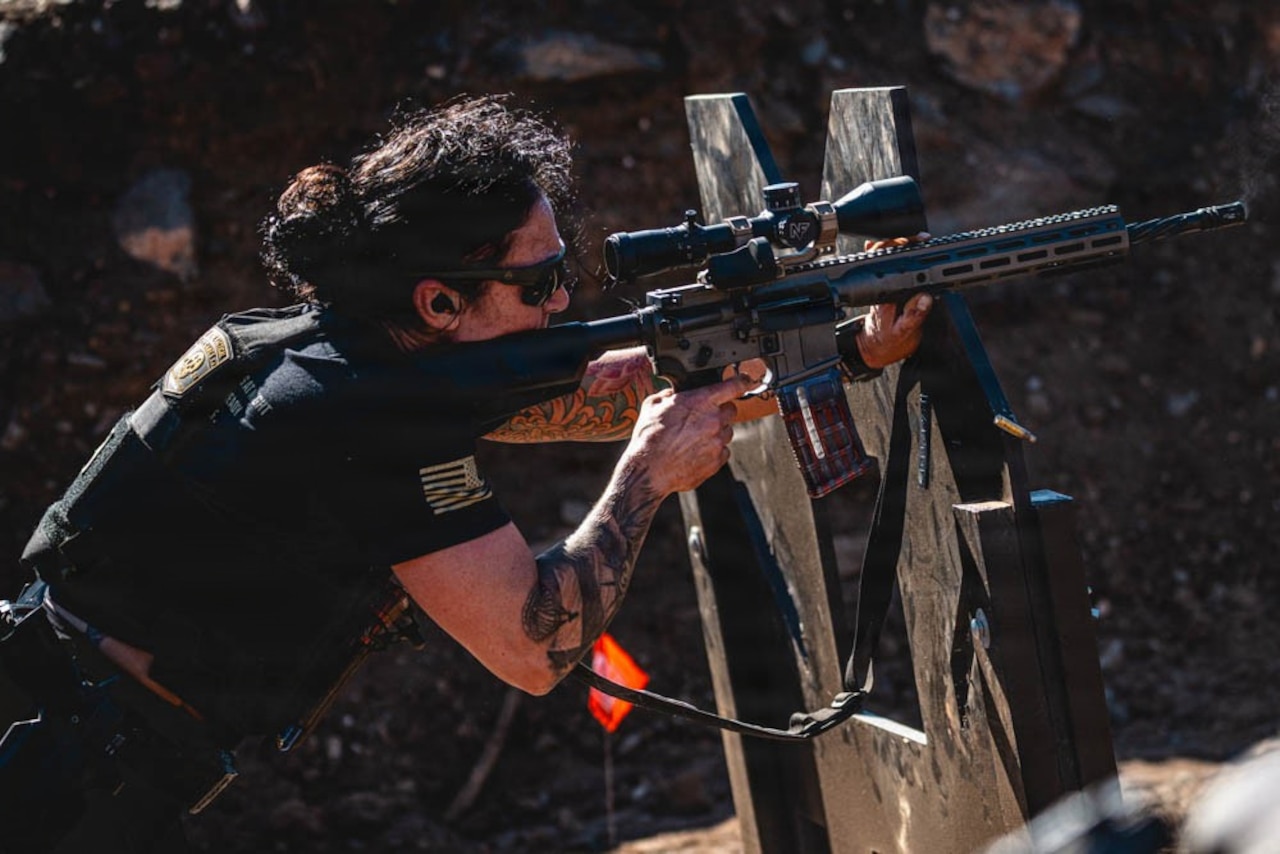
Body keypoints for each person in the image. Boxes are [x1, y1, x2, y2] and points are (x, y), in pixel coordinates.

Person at [0, 94, 932, 852]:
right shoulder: (356, 411)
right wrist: (646, 474)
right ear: (439, 300)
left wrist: (841, 350)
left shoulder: (342, 350)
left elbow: (590, 393)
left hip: (72, 728)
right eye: (538, 286)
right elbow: (535, 648)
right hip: (61, 772)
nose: (563, 301)